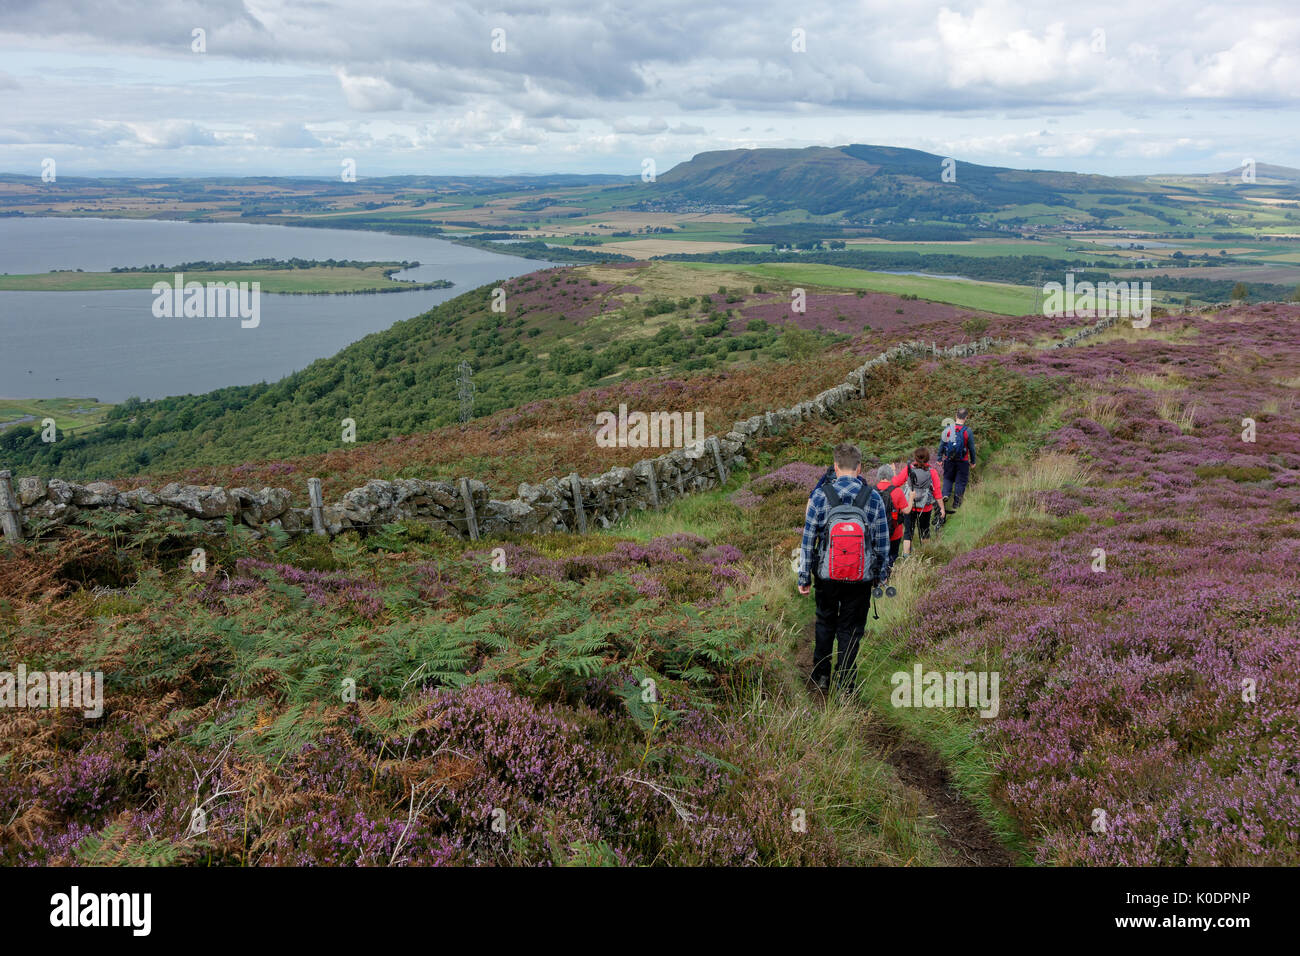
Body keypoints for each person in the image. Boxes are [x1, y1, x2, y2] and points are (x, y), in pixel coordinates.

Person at [797, 443, 892, 695]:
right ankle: (846, 682)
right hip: (860, 578)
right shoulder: (872, 497)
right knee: (852, 629)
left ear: (836, 467)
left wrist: (804, 576)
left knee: (825, 622)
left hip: (827, 576)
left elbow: (808, 540)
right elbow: (882, 542)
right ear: (859, 467)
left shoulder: (820, 496)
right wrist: (880, 576)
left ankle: (821, 675)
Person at [901, 448, 944, 557]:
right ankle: (926, 555)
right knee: (925, 531)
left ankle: (906, 558)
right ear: (928, 458)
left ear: (915, 458)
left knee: (908, 532)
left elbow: (896, 482)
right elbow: (937, 492)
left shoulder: (908, 470)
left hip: (909, 506)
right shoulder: (932, 472)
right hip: (925, 507)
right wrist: (942, 508)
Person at [874, 462, 912, 564]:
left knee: (877, 558)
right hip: (894, 532)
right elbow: (907, 510)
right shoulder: (897, 491)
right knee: (892, 556)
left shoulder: (872, 491)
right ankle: (890, 576)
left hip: (876, 531)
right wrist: (911, 498)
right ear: (890, 475)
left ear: (879, 475)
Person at [939, 409, 975, 510]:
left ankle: (945, 494)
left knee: (948, 478)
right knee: (960, 481)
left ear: (956, 416)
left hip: (949, 460)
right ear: (966, 418)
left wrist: (939, 458)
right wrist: (973, 461)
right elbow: (972, 448)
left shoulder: (948, 429)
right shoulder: (968, 431)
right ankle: (956, 504)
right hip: (962, 461)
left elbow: (942, 444)